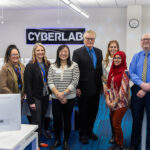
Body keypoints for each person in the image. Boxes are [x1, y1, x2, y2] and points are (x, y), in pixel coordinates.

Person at [72, 30, 103, 144]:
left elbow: (100, 70)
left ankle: (90, 131)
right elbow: (75, 71)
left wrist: (102, 86)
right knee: (83, 112)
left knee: (94, 111)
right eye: (88, 38)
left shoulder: (99, 52)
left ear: (94, 39)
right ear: (84, 39)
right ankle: (83, 133)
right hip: (83, 89)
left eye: (92, 39)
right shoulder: (77, 52)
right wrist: (77, 87)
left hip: (96, 88)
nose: (90, 41)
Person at [48, 45, 79, 150]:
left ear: (69, 53)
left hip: (69, 98)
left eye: (65, 51)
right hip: (56, 98)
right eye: (61, 51)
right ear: (58, 53)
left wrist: (64, 93)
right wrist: (58, 94)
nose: (63, 53)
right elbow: (50, 81)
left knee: (67, 120)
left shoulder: (74, 65)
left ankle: (66, 140)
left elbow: (75, 81)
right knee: (56, 120)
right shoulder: (52, 66)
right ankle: (57, 140)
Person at [24, 43, 50, 149]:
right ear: (34, 52)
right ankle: (35, 144)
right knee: (36, 121)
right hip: (35, 97)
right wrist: (31, 102)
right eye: (38, 50)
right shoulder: (30, 65)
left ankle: (38, 141)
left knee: (42, 119)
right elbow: (28, 85)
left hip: (45, 96)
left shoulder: (47, 64)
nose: (40, 52)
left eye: (42, 50)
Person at [128, 34, 150, 150]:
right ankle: (134, 144)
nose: (146, 41)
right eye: (144, 40)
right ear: (141, 42)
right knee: (136, 118)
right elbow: (132, 73)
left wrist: (147, 87)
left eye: (148, 40)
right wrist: (142, 85)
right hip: (137, 90)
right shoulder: (136, 56)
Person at [106, 51, 129, 150]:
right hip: (111, 103)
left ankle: (120, 145)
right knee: (114, 124)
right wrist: (107, 100)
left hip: (121, 103)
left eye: (119, 58)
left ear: (123, 59)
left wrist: (114, 103)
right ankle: (116, 142)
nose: (116, 60)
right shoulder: (112, 71)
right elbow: (108, 87)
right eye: (115, 58)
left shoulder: (125, 72)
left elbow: (123, 91)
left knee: (116, 124)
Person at [102, 40, 120, 144]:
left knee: (118, 113)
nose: (113, 49)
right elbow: (103, 77)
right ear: (108, 48)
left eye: (115, 47)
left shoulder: (121, 60)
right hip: (109, 91)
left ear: (118, 48)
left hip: (118, 91)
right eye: (111, 47)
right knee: (111, 112)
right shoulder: (104, 62)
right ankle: (113, 135)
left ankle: (118, 135)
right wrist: (104, 87)